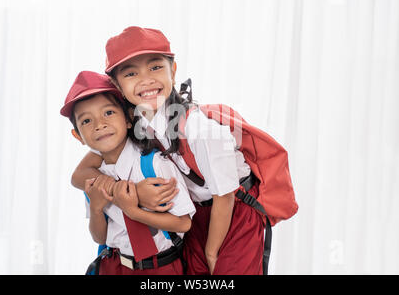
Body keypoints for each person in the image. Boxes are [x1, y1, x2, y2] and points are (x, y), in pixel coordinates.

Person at [72, 26, 269, 275]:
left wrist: (211, 252)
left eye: (155, 67)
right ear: (117, 85)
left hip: (232, 213)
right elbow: (80, 174)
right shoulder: (135, 122)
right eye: (131, 73)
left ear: (172, 71)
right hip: (193, 215)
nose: (146, 80)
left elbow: (225, 197)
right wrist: (127, 193)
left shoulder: (200, 130)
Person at [60, 70, 195, 275]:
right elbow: (100, 238)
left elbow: (184, 223)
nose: (99, 125)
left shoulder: (154, 165)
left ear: (129, 119)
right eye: (86, 121)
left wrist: (134, 211)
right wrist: (96, 208)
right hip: (116, 265)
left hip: (161, 267)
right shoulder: (95, 178)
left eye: (108, 113)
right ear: (77, 136)